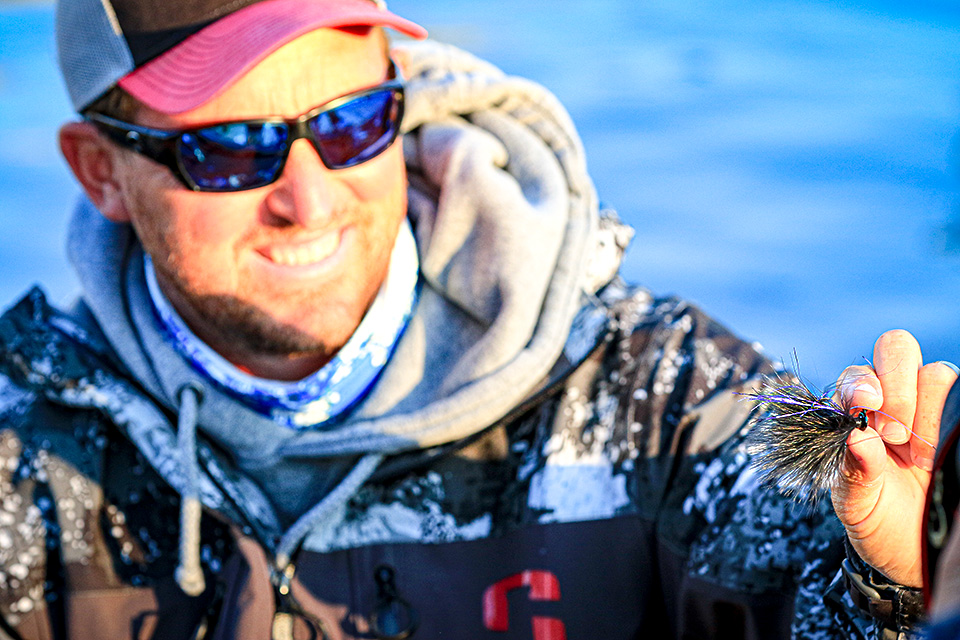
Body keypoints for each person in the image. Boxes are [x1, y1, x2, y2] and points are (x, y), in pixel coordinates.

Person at [0, 0, 953, 638]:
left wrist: (901, 584)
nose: (309, 198)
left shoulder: (660, 403)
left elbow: (827, 595)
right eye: (230, 149)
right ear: (99, 171)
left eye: (351, 122)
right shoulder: (19, 461)